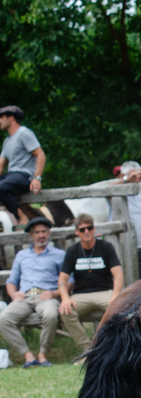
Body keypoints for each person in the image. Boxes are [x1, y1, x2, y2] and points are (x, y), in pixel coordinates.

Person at [0, 217, 64, 367]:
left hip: (47, 295)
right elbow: (11, 281)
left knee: (50, 314)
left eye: (43, 232)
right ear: (31, 235)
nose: (41, 235)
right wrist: (14, 294)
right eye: (37, 232)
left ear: (48, 233)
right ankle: (28, 356)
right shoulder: (22, 255)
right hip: (24, 297)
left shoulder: (59, 255)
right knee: (4, 319)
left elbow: (69, 281)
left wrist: (54, 293)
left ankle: (43, 354)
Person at [58, 214, 123, 353]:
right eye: (82, 230)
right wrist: (65, 298)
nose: (86, 232)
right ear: (77, 232)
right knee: (65, 311)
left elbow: (118, 274)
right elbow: (62, 280)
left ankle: (112, 349)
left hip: (105, 292)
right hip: (81, 294)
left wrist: (115, 295)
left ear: (94, 229)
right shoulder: (72, 251)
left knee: (121, 309)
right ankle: (87, 350)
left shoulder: (106, 247)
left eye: (89, 228)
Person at [0, 106, 46, 226]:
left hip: (24, 176)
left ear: (11, 118)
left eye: (1, 117)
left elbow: (40, 155)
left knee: (2, 187)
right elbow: (0, 166)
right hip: (11, 176)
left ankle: (21, 216)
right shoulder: (7, 141)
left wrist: (37, 178)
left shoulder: (24, 133)